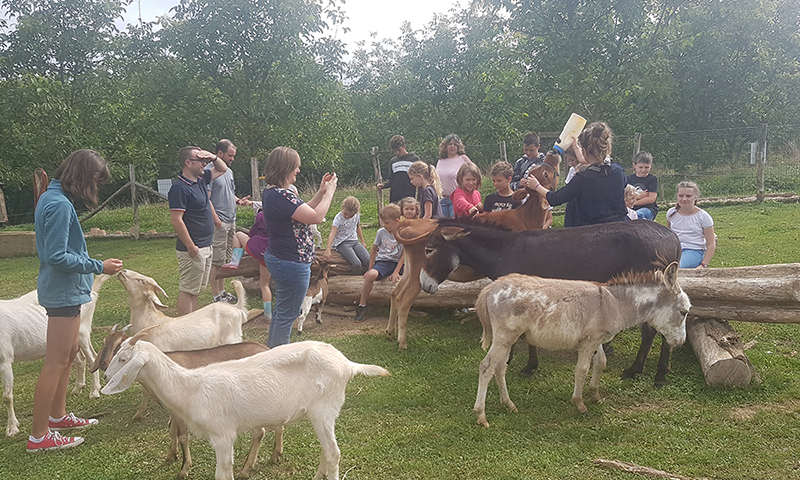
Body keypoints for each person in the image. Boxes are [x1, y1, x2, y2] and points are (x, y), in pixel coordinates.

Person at [27, 149, 123, 453]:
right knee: (55, 362)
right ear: (81, 175)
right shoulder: (58, 204)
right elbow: (55, 256)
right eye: (94, 179)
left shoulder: (53, 198)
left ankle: (57, 417)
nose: (94, 188)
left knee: (68, 354)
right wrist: (99, 266)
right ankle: (39, 436)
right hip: (62, 292)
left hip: (67, 291)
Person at [261, 146, 337, 348]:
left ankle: (273, 352)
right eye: (296, 167)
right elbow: (316, 217)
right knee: (288, 314)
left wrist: (321, 193)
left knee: (283, 310)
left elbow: (302, 211)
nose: (299, 171)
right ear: (285, 167)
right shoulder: (281, 195)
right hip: (291, 262)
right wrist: (330, 193)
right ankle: (279, 358)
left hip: (282, 259)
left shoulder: (274, 193)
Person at [528, 122, 627, 227]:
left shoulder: (582, 179)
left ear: (584, 151)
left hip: (596, 232)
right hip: (621, 228)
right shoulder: (618, 171)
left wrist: (537, 186)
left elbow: (556, 199)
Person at [169, 146, 229, 316]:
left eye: (205, 160)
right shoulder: (179, 188)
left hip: (205, 245)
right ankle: (184, 327)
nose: (204, 163)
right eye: (200, 160)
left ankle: (191, 322)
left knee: (195, 290)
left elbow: (222, 168)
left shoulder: (201, 180)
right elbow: (176, 220)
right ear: (188, 163)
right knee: (188, 290)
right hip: (193, 248)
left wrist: (211, 156)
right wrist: (191, 246)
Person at [207, 139, 251, 304]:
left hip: (231, 220)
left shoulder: (229, 172)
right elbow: (206, 198)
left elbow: (228, 193)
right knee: (216, 261)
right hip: (219, 222)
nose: (232, 159)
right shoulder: (209, 172)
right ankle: (216, 296)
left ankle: (222, 291)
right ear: (219, 154)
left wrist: (238, 200)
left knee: (225, 261)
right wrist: (216, 219)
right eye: (230, 155)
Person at [353, 204, 405, 323]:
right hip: (384, 262)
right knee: (371, 275)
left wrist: (396, 271)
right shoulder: (381, 232)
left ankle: (402, 308)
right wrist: (370, 269)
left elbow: (404, 255)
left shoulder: (402, 233)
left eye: (386, 223)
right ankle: (362, 306)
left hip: (398, 263)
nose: (384, 225)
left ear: (397, 221)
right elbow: (373, 250)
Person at [221, 209, 273, 320]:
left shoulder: (261, 215)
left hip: (258, 249)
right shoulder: (283, 215)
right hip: (274, 252)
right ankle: (272, 313)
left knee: (238, 235)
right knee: (266, 284)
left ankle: (235, 261)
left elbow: (252, 233)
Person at [667, 181, 716, 269]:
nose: (684, 199)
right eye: (681, 196)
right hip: (673, 250)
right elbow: (669, 236)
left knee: (676, 267)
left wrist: (703, 265)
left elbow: (711, 244)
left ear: (695, 197)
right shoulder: (671, 213)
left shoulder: (703, 217)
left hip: (694, 251)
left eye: (688, 196)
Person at [322, 196, 369, 274]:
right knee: (357, 263)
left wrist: (363, 241)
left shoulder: (357, 215)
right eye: (346, 214)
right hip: (342, 242)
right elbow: (332, 234)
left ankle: (367, 278)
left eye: (350, 215)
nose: (347, 217)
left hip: (354, 241)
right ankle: (355, 280)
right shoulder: (338, 218)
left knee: (368, 260)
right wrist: (328, 248)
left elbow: (357, 227)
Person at [436, 134, 472, 217]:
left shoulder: (463, 158)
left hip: (456, 199)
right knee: (444, 228)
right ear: (445, 146)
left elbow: (475, 174)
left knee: (456, 227)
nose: (452, 146)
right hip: (442, 200)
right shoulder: (440, 161)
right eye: (450, 144)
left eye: (455, 144)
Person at [377, 135, 419, 203]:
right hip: (395, 196)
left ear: (404, 147)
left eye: (399, 150)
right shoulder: (393, 161)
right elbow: (392, 179)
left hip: (409, 196)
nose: (397, 152)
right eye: (394, 151)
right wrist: (384, 185)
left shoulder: (414, 159)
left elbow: (419, 177)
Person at [627, 151, 659, 220]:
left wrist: (633, 202)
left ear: (651, 165)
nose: (643, 170)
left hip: (649, 208)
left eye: (646, 167)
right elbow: (626, 197)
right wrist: (639, 196)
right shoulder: (628, 179)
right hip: (631, 208)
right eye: (640, 167)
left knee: (638, 215)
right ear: (634, 165)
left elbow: (651, 199)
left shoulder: (652, 179)